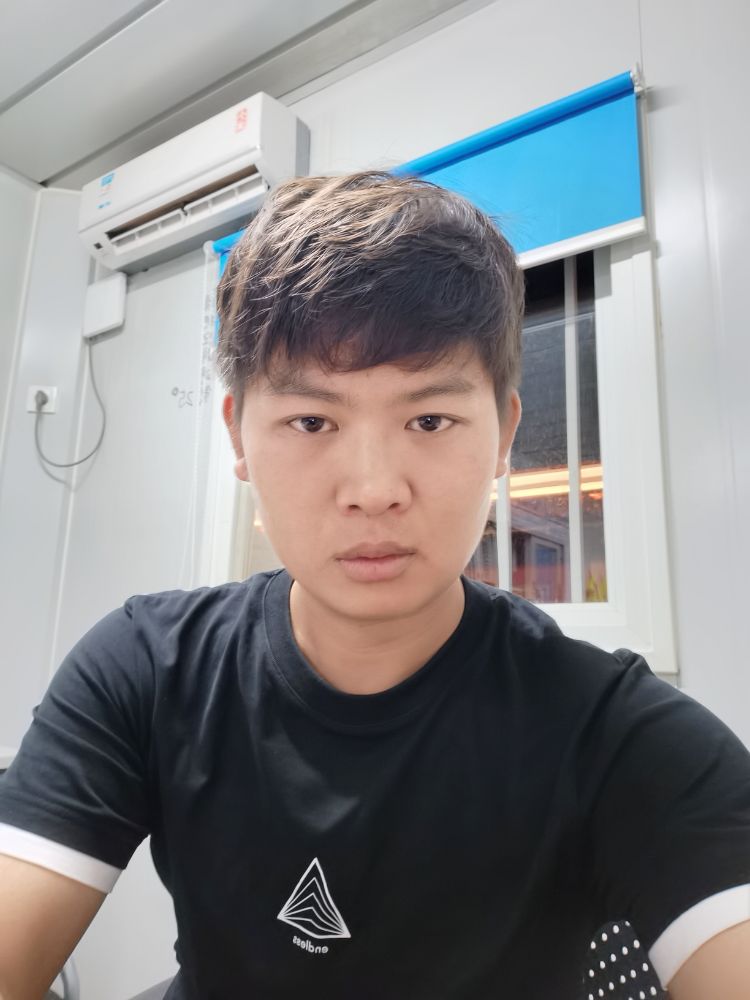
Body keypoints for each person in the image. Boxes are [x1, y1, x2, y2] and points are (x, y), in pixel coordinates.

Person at [0, 171, 748, 1000]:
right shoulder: (146, 668)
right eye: (311, 421)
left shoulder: (614, 737)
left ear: (502, 433)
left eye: (429, 420)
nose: (373, 489)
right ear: (238, 436)